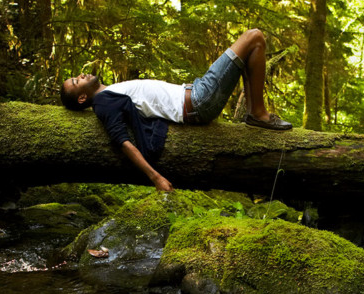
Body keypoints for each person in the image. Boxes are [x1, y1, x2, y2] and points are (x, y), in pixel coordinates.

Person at [60, 29, 292, 192]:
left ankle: (255, 112)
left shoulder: (109, 91)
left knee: (251, 48)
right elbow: (123, 142)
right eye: (75, 81)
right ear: (82, 97)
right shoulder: (103, 103)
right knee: (254, 37)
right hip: (200, 101)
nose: (80, 75)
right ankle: (258, 115)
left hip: (197, 92)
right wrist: (156, 177)